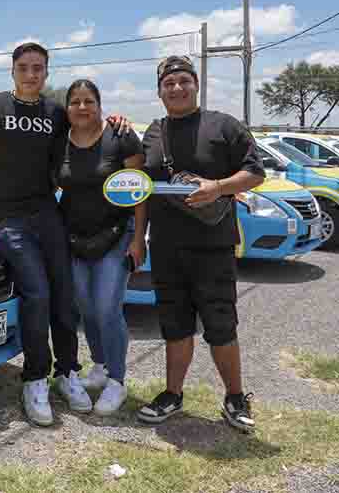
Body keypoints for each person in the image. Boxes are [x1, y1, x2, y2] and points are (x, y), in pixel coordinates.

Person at [0, 42, 127, 426]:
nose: (32, 74)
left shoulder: (55, 112)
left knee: (64, 295)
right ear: (13, 71)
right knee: (37, 292)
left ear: (46, 73)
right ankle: (34, 378)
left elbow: (87, 129)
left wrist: (115, 120)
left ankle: (67, 372)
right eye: (25, 67)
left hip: (47, 212)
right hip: (7, 216)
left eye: (39, 68)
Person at [137, 55, 264, 432]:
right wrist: (139, 238)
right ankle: (172, 395)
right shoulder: (153, 133)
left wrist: (219, 187)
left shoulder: (224, 126)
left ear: (196, 85)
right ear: (159, 91)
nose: (176, 88)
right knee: (174, 325)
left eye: (183, 81)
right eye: (168, 83)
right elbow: (142, 189)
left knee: (221, 325)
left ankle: (235, 398)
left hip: (213, 246)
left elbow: (255, 173)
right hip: (165, 247)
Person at [56, 79, 147, 415]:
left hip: (115, 236)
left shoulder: (121, 136)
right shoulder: (59, 141)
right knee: (87, 308)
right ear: (68, 108)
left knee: (108, 309)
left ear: (100, 104)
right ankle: (100, 366)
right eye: (75, 101)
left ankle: (118, 382)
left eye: (89, 101)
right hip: (74, 238)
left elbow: (139, 192)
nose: (82, 107)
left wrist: (139, 238)